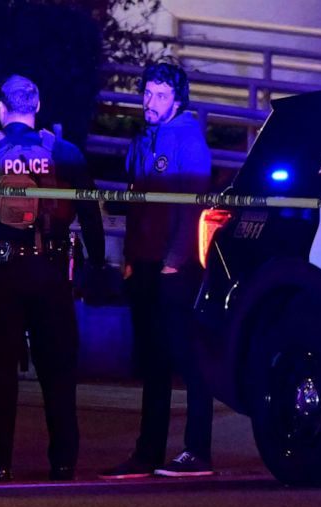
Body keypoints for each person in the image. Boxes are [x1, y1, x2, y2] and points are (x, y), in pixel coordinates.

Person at [0, 74, 106, 482]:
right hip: (52, 272)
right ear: (37, 106)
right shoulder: (66, 152)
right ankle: (63, 462)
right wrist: (96, 263)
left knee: (0, 370)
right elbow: (91, 213)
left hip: (1, 274)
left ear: (0, 108)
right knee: (58, 371)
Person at [100, 62, 214, 479]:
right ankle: (147, 453)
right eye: (147, 93)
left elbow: (193, 206)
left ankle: (198, 451)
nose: (150, 101)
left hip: (174, 269)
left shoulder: (189, 141)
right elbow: (135, 206)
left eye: (160, 95)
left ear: (176, 100)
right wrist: (130, 257)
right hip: (145, 264)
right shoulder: (141, 140)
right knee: (153, 362)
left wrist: (174, 260)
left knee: (186, 358)